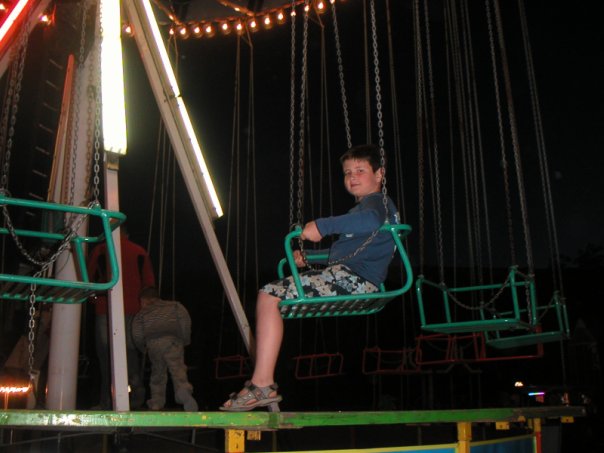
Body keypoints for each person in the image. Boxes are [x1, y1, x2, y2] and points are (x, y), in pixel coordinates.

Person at [220, 144, 399, 411]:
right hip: (350, 275)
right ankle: (262, 382)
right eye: (347, 172)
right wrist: (311, 257)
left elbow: (371, 221)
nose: (352, 176)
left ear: (379, 174)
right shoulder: (366, 211)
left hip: (353, 280)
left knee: (269, 295)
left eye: (360, 170)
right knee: (270, 294)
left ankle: (262, 384)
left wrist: (322, 226)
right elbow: (349, 253)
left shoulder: (376, 203)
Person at [87, 226, 156, 410]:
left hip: (105, 308)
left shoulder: (100, 250)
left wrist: (95, 300)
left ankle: (107, 402)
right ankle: (136, 398)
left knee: (106, 356)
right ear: (127, 234)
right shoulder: (139, 252)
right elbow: (149, 284)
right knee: (130, 353)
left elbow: (88, 279)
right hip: (133, 309)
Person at [131, 287, 198, 411]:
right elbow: (185, 322)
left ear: (144, 301)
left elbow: (137, 333)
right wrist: (185, 339)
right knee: (178, 369)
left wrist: (142, 348)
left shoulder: (142, 314)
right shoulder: (176, 306)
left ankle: (156, 402)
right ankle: (183, 391)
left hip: (153, 345)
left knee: (158, 374)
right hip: (173, 342)